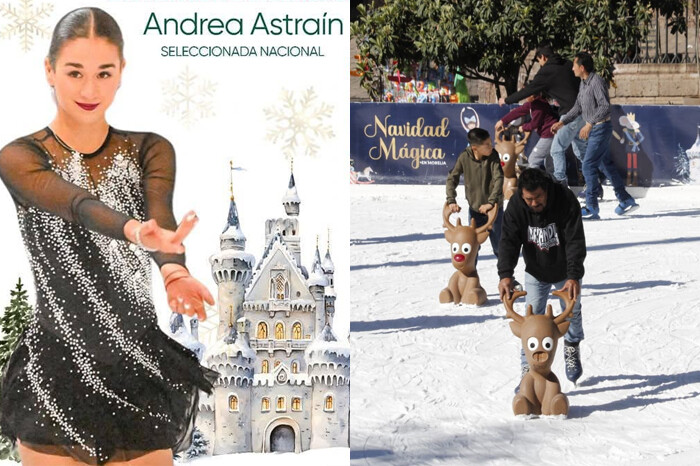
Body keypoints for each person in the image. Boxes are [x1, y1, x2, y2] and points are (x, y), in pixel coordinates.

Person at [0, 8, 216, 466]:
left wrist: (174, 271)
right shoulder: (20, 157)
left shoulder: (149, 149)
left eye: (104, 72)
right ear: (49, 71)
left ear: (121, 74)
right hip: (55, 370)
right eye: (75, 72)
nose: (89, 89)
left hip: (136, 368)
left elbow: (161, 216)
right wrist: (132, 229)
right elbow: (73, 202)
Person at [497, 168, 586, 387]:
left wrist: (573, 276)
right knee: (531, 321)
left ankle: (572, 344)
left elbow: (575, 240)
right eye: (529, 199)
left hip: (565, 271)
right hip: (535, 269)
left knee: (571, 313)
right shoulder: (517, 205)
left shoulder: (565, 199)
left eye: (538, 197)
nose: (534, 203)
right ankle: (528, 371)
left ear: (546, 190)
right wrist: (505, 274)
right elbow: (508, 240)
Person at [551, 52, 639, 219]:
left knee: (588, 165)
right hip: (596, 129)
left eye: (574, 65)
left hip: (600, 128)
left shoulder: (596, 81)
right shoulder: (583, 84)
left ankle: (591, 206)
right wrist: (562, 123)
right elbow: (577, 107)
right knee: (605, 165)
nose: (572, 68)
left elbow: (605, 106)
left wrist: (589, 123)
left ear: (582, 67)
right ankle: (625, 199)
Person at [499, 45, 587, 186]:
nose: (540, 65)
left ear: (543, 57)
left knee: (556, 150)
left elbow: (528, 90)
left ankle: (561, 187)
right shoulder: (568, 64)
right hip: (583, 111)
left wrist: (507, 100)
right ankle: (594, 185)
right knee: (581, 151)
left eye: (539, 61)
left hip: (569, 113)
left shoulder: (546, 71)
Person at [446, 128, 504, 262]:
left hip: (494, 210)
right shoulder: (464, 157)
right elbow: (452, 178)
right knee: (472, 247)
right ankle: (470, 279)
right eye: (487, 145)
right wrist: (451, 200)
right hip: (475, 210)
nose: (491, 147)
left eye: (491, 143)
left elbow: (499, 178)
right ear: (475, 148)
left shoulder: (493, 156)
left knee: (499, 247)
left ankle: (507, 278)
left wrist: (491, 203)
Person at [495, 91, 558, 171]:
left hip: (549, 134)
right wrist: (503, 121)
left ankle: (533, 182)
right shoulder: (532, 103)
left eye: (527, 93)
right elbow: (518, 111)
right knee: (549, 163)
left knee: (533, 160)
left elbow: (535, 123)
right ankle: (553, 181)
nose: (524, 96)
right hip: (550, 134)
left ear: (534, 95)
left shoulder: (539, 105)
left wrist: (523, 128)